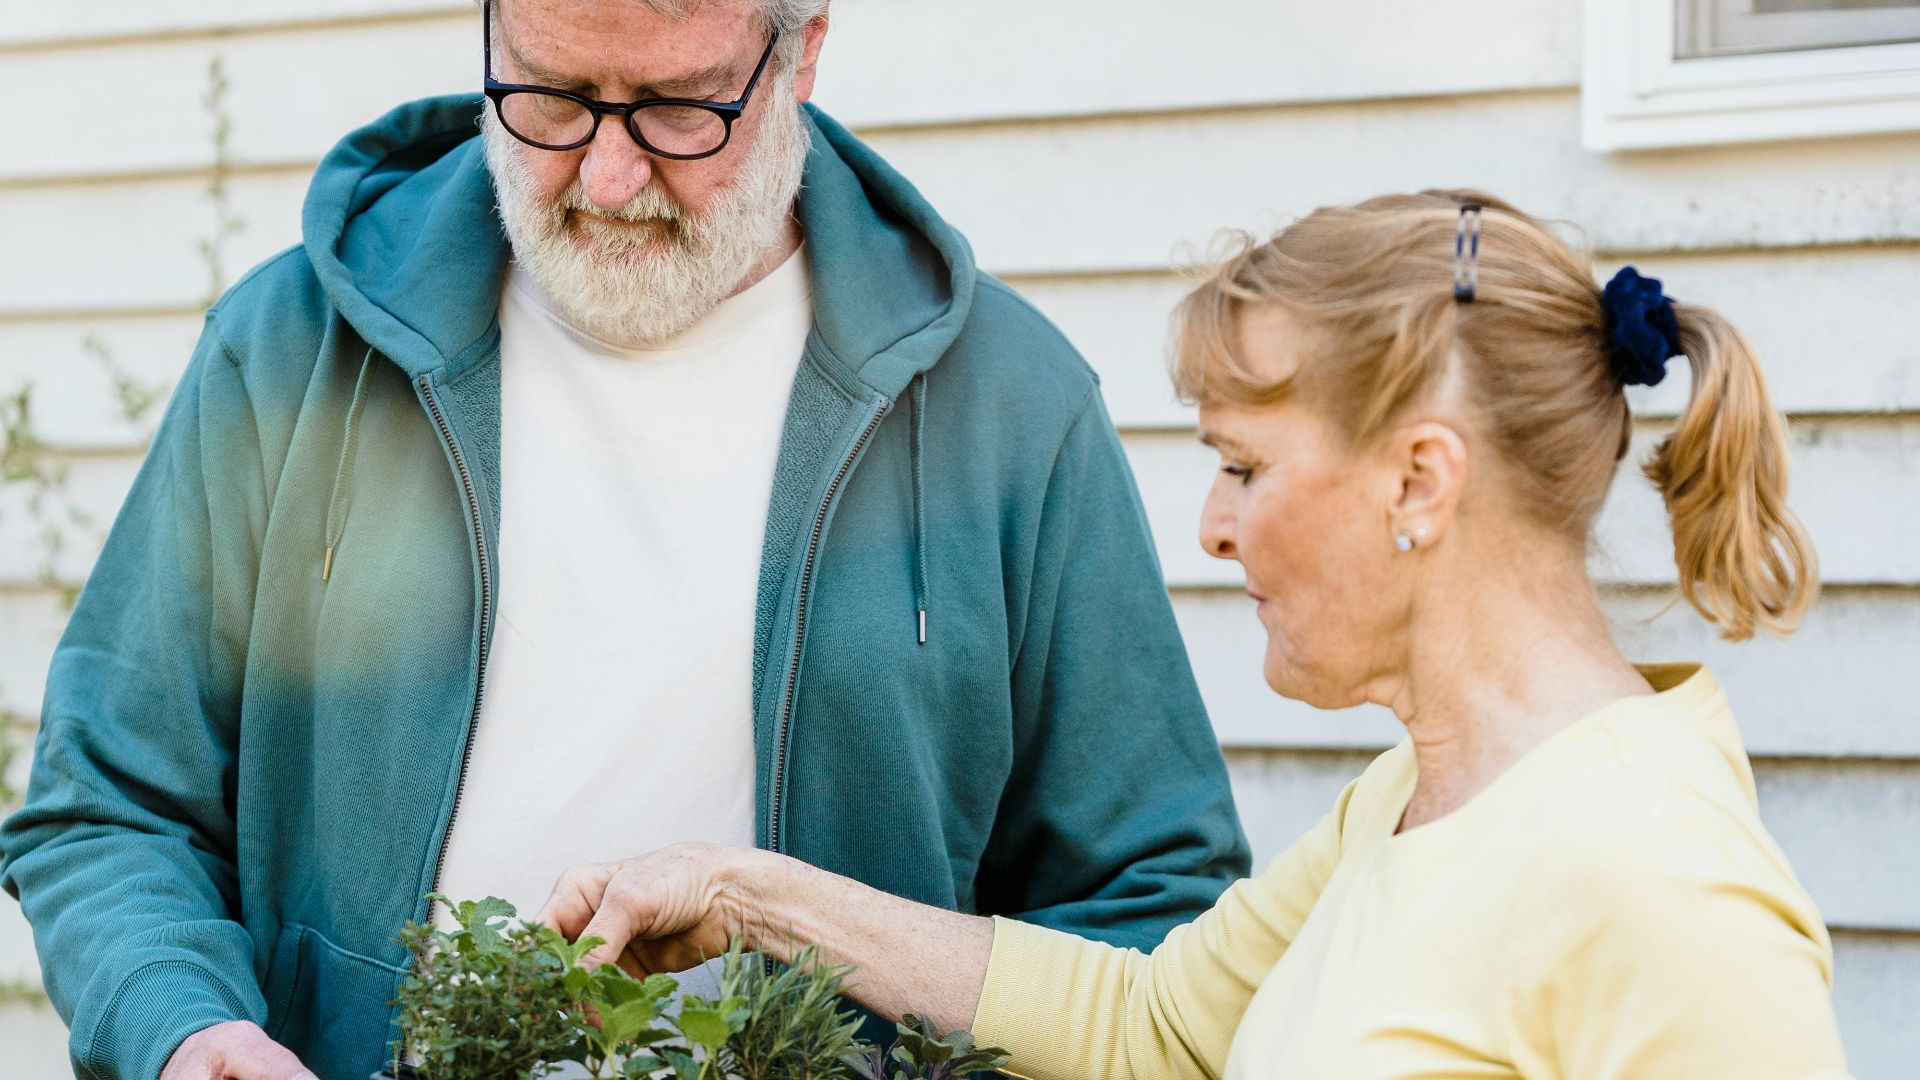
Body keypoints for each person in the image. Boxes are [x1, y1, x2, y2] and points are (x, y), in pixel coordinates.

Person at [0, 1, 1249, 1077]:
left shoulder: (1010, 409)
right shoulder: (288, 349)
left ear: (801, 51)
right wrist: (184, 1024)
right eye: (547, 96)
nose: (604, 175)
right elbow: (111, 804)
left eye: (675, 110)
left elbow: (1154, 914)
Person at [535, 191, 1852, 1078]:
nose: (1213, 529)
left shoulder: (1659, 883)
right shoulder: (1424, 796)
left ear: (1421, 481)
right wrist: (743, 891)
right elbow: (1153, 1024)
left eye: (1243, 466)